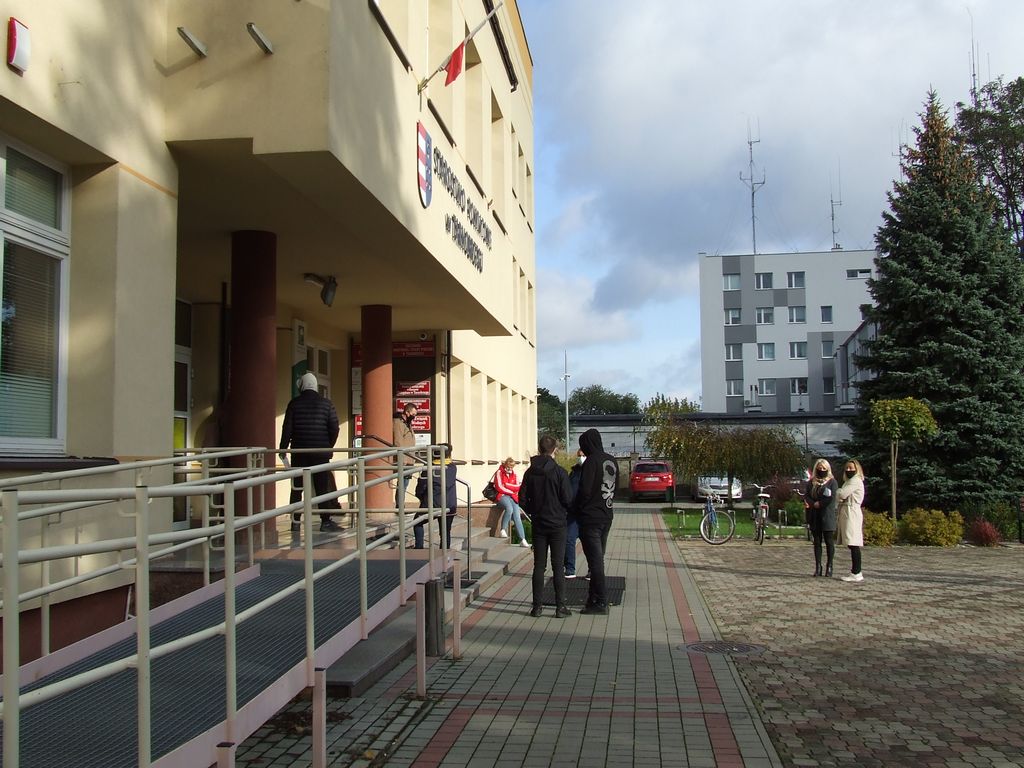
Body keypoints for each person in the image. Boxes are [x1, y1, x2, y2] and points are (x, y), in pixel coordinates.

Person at [279, 372, 342, 532]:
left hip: (299, 452)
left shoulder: (294, 404)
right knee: (322, 488)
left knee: (297, 487)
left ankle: (295, 522)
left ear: (302, 386)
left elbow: (287, 429)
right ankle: (325, 521)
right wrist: (328, 446)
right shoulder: (327, 404)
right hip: (320, 453)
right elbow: (335, 428)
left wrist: (282, 449)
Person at [519, 435, 573, 618]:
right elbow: (568, 499)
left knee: (539, 566)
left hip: (539, 523)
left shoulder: (530, 472)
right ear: (554, 450)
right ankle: (560, 607)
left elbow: (522, 499)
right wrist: (562, 511)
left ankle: (537, 607)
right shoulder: (559, 472)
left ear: (539, 449)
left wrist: (533, 510)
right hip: (557, 523)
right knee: (558, 566)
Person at [574, 428, 617, 614]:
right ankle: (592, 599)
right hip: (607, 514)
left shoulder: (591, 462)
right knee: (598, 559)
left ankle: (601, 601)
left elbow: (584, 490)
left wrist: (577, 508)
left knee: (595, 562)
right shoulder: (612, 460)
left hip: (590, 518)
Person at [413, 443, 457, 549]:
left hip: (432, 504)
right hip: (450, 505)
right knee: (445, 532)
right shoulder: (452, 467)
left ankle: (419, 548)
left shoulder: (429, 468)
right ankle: (444, 553)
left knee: (417, 522)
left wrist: (420, 496)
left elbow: (422, 486)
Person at [804, 457, 838, 576]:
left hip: (827, 515)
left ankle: (830, 566)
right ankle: (818, 566)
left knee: (829, 542)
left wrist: (821, 504)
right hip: (815, 515)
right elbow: (807, 496)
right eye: (819, 468)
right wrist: (813, 504)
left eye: (824, 468)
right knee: (817, 542)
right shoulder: (811, 482)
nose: (821, 470)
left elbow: (831, 497)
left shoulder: (832, 482)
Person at [837, 459, 866, 582]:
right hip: (847, 511)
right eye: (847, 468)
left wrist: (838, 491)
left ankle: (856, 572)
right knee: (851, 543)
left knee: (853, 542)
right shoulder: (849, 481)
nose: (849, 470)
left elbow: (842, 494)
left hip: (852, 512)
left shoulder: (855, 481)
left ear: (856, 469)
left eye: (851, 468)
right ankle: (855, 571)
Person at [494, 457, 530, 547]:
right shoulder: (499, 472)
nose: (510, 468)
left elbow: (518, 487)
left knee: (517, 516)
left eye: (512, 467)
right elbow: (499, 487)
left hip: (513, 497)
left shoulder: (514, 474)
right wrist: (511, 490)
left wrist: (507, 485)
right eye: (509, 466)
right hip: (502, 496)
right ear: (505, 464)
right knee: (509, 509)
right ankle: (503, 530)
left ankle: (522, 539)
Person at [393, 403, 418, 507]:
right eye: (413, 414)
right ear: (407, 412)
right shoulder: (398, 423)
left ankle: (401, 504)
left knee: (405, 483)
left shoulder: (407, 423)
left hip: (409, 459)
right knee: (402, 483)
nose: (414, 416)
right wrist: (402, 459)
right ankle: (400, 505)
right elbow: (398, 441)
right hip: (403, 459)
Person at [564, 449, 584, 578]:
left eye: (583, 455)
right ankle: (570, 569)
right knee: (569, 540)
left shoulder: (592, 471)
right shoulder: (574, 472)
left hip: (587, 513)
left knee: (589, 543)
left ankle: (592, 570)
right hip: (573, 513)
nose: (581, 458)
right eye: (579, 455)